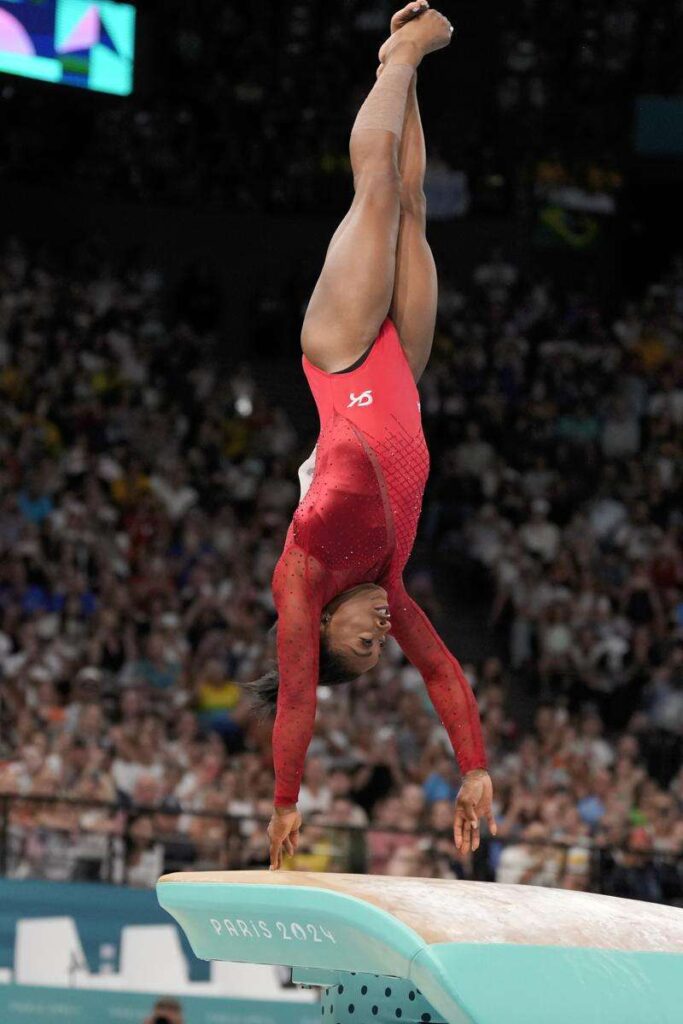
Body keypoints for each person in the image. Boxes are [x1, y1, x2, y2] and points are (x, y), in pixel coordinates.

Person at [252, 4, 496, 869]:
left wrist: (286, 804)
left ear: (320, 629)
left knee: (378, 193)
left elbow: (296, 710)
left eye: (360, 641)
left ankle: (397, 56)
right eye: (376, 646)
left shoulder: (303, 577)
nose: (380, 631)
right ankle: (413, 64)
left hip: (344, 356)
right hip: (400, 376)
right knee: (415, 209)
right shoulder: (388, 580)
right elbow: (442, 676)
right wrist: (472, 770)